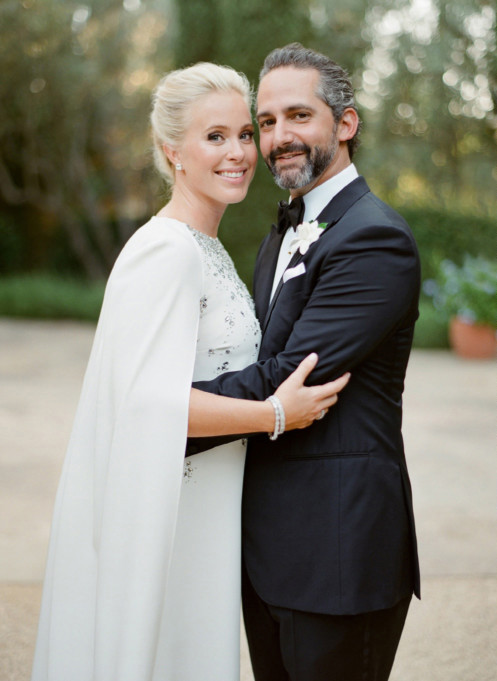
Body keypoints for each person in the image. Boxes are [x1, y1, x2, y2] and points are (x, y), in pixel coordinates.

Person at [31, 64, 348, 681]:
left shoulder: (207, 249)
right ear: (172, 151)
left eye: (243, 134)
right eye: (215, 137)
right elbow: (147, 404)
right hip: (171, 509)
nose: (238, 153)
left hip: (208, 506)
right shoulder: (167, 251)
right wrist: (275, 414)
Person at [188, 43, 421, 681]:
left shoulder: (375, 239)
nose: (278, 137)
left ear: (345, 124)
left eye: (298, 116)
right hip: (268, 550)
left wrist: (170, 410)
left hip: (337, 553)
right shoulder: (281, 230)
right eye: (266, 123)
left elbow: (294, 374)